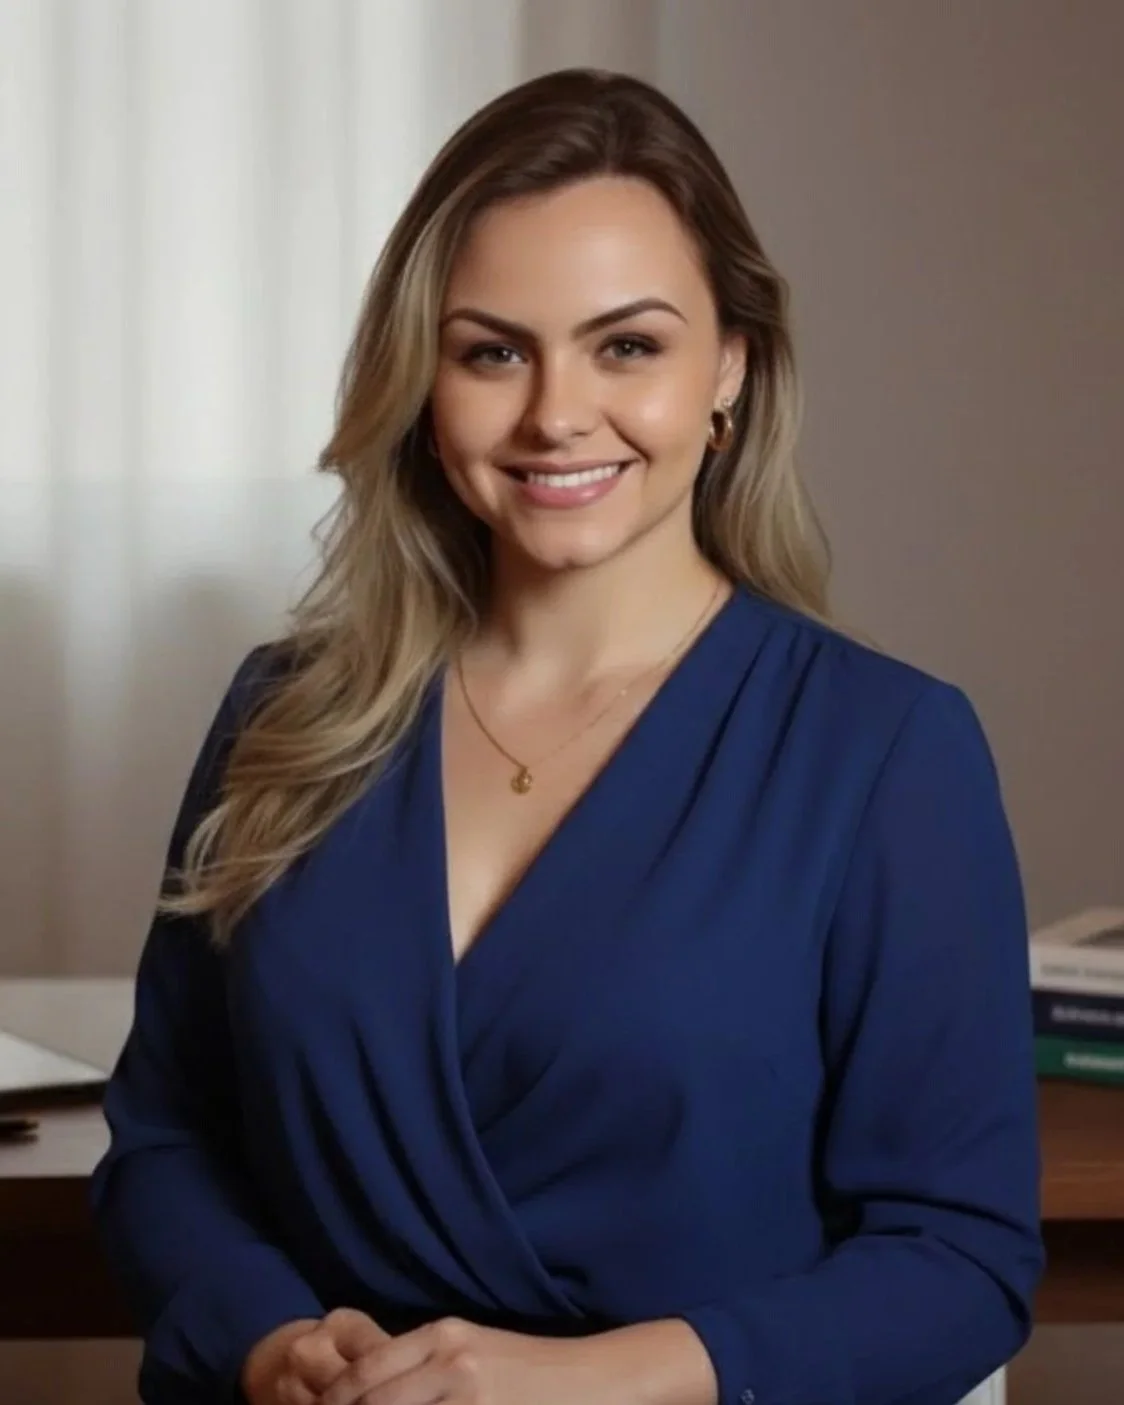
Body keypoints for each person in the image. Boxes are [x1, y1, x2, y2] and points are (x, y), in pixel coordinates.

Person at [90, 67, 1044, 1405]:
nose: (554, 413)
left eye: (627, 346)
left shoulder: (886, 752)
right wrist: (267, 1340)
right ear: (423, 381)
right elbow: (168, 1137)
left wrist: (587, 1380)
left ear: (730, 368)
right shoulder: (285, 713)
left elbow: (958, 1261)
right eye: (493, 350)